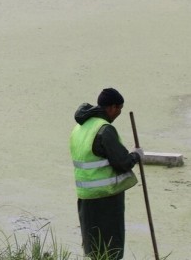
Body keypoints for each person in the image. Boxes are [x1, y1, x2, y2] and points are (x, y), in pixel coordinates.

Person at [70, 87, 143, 259]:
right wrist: (136, 155)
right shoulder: (104, 129)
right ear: (111, 107)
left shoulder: (80, 128)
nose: (118, 113)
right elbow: (122, 162)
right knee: (111, 249)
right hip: (106, 199)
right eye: (119, 109)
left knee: (93, 248)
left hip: (85, 198)